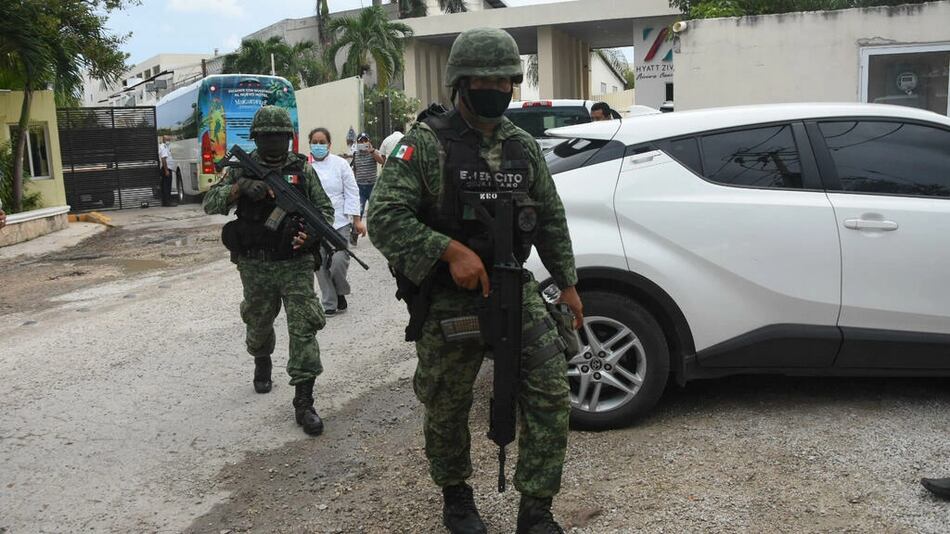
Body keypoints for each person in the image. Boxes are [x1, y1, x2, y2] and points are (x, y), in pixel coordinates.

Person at [368, 27, 584, 534]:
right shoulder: (424, 145)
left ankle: (536, 508)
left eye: (504, 80)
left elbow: (550, 218)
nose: (495, 89)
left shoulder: (522, 147)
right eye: (482, 79)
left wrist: (568, 283)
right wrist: (450, 250)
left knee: (551, 391)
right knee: (447, 401)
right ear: (460, 83)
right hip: (450, 298)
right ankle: (457, 498)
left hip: (513, 287)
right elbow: (384, 218)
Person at [202, 106, 334, 437]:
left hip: (294, 263)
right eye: (268, 136)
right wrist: (240, 188)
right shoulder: (240, 169)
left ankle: (304, 402)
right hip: (255, 264)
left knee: (304, 326)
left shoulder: (302, 169)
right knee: (259, 322)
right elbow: (211, 203)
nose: (275, 142)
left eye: (280, 136)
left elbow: (325, 211)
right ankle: (262, 357)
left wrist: (311, 236)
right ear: (257, 139)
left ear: (289, 138)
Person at [308, 127, 366, 316]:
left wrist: (357, 220)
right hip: (314, 225)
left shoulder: (340, 164)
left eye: (321, 142)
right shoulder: (305, 167)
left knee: (339, 262)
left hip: (339, 223)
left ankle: (340, 291)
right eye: (314, 142)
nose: (318, 145)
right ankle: (330, 302)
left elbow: (352, 191)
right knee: (320, 263)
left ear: (329, 144)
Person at [352, 132, 385, 216]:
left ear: (369, 141)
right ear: (357, 143)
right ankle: (356, 228)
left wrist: (372, 152)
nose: (363, 143)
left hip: (372, 187)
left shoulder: (374, 152)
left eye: (365, 141)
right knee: (359, 211)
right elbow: (355, 169)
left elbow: (381, 161)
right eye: (361, 141)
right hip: (360, 188)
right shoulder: (355, 154)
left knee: (375, 211)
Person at [158, 136, 175, 206]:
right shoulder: (163, 147)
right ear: (164, 140)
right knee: (167, 186)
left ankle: (165, 202)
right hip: (166, 169)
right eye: (168, 139)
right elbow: (163, 159)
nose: (169, 141)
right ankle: (167, 202)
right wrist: (166, 170)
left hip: (166, 168)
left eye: (169, 139)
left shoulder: (165, 146)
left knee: (165, 186)